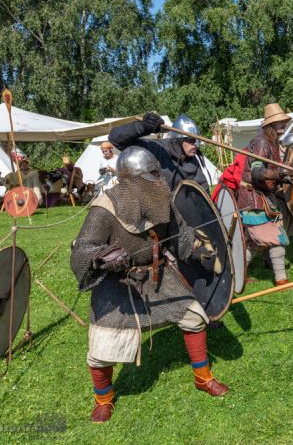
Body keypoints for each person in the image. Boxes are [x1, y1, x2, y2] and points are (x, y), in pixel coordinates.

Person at [70, 147, 228, 423]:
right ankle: (103, 399)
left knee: (194, 317)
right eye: (153, 173)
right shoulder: (104, 209)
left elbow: (179, 235)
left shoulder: (160, 199)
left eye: (158, 172)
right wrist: (103, 256)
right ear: (133, 179)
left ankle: (203, 377)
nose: (160, 178)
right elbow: (82, 249)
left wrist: (196, 249)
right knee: (102, 349)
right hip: (119, 284)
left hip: (159, 275)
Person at [235, 103, 293, 286]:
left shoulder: (272, 142)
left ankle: (237, 276)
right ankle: (280, 281)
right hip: (254, 198)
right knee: (275, 238)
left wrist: (287, 179)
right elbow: (257, 172)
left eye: (284, 121)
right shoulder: (261, 142)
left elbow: (274, 174)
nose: (283, 124)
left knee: (257, 242)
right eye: (279, 121)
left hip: (264, 196)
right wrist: (279, 173)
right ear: (270, 125)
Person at [109, 113, 213, 192]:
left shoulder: (191, 158)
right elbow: (115, 138)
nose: (196, 144)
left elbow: (202, 188)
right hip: (157, 209)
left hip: (183, 211)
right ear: (179, 139)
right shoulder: (157, 149)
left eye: (197, 140)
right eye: (191, 140)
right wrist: (143, 127)